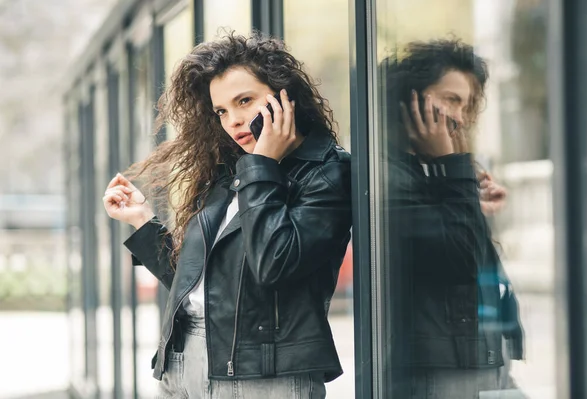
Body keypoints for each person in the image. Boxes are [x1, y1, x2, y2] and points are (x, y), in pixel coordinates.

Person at [102, 31, 352, 398]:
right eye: (222, 110)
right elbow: (200, 283)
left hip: (263, 375)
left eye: (245, 100)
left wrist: (263, 164)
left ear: (285, 95)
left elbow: (274, 265)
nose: (233, 121)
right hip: (183, 363)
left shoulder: (327, 171)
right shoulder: (234, 170)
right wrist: (142, 220)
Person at [380, 39, 526, 398]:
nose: (459, 116)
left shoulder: (440, 172)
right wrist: (454, 170)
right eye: (449, 99)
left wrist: (469, 199)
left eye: (466, 104)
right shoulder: (387, 174)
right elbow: (459, 259)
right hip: (441, 369)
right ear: (410, 99)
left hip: (484, 356)